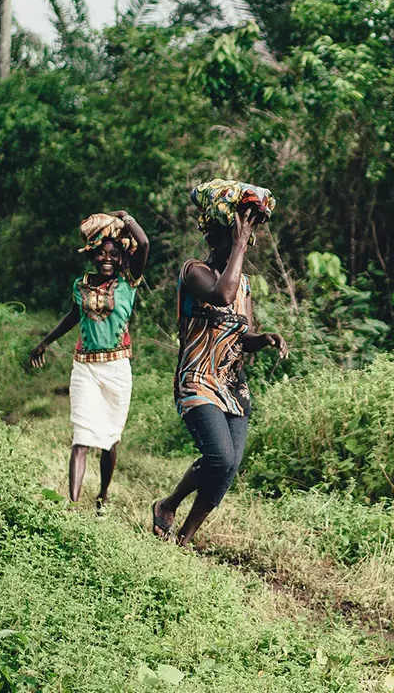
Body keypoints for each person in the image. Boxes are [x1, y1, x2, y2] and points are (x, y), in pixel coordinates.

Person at [151, 179, 288, 548]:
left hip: (233, 385)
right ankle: (167, 506)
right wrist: (240, 243)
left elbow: (242, 335)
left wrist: (265, 339)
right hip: (196, 379)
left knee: (229, 467)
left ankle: (185, 539)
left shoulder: (244, 285)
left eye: (244, 239)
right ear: (214, 237)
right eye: (234, 237)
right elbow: (221, 295)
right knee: (218, 456)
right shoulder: (194, 271)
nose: (242, 245)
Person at [27, 210, 149, 513]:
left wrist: (126, 218)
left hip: (117, 369)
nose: (107, 259)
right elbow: (73, 316)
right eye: (101, 253)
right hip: (85, 367)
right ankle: (72, 504)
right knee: (81, 437)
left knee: (110, 439)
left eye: (113, 254)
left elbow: (144, 244)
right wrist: (45, 342)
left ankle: (103, 497)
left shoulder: (128, 282)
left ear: (122, 259)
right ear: (92, 255)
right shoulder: (79, 286)